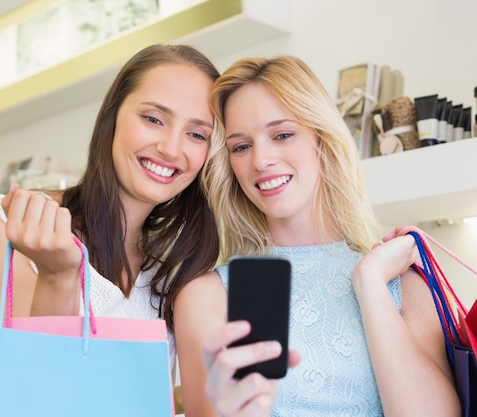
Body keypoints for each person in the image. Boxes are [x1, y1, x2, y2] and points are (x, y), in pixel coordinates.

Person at [0, 44, 221, 415]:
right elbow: (19, 394)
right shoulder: (25, 222)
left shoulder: (173, 269)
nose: (171, 148)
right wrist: (58, 276)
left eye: (197, 134)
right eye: (154, 119)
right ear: (112, 117)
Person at [190, 55, 462, 416]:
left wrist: (370, 284)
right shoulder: (208, 295)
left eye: (283, 134)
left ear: (322, 138)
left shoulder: (401, 280)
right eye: (241, 146)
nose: (260, 160)